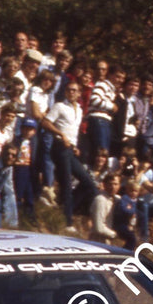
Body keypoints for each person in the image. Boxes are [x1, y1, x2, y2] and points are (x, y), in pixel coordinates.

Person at [42, 81, 96, 230]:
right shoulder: (59, 106)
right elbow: (45, 122)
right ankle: (68, 222)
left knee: (88, 183)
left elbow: (73, 130)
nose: (71, 92)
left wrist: (75, 146)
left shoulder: (79, 109)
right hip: (59, 146)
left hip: (70, 149)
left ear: (79, 93)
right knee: (66, 183)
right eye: (68, 90)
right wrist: (60, 135)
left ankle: (65, 209)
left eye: (74, 90)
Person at [90, 172, 120, 245]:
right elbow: (99, 228)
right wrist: (116, 235)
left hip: (112, 243)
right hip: (99, 242)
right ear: (104, 185)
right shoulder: (100, 200)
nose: (113, 187)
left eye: (115, 184)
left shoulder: (118, 199)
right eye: (110, 184)